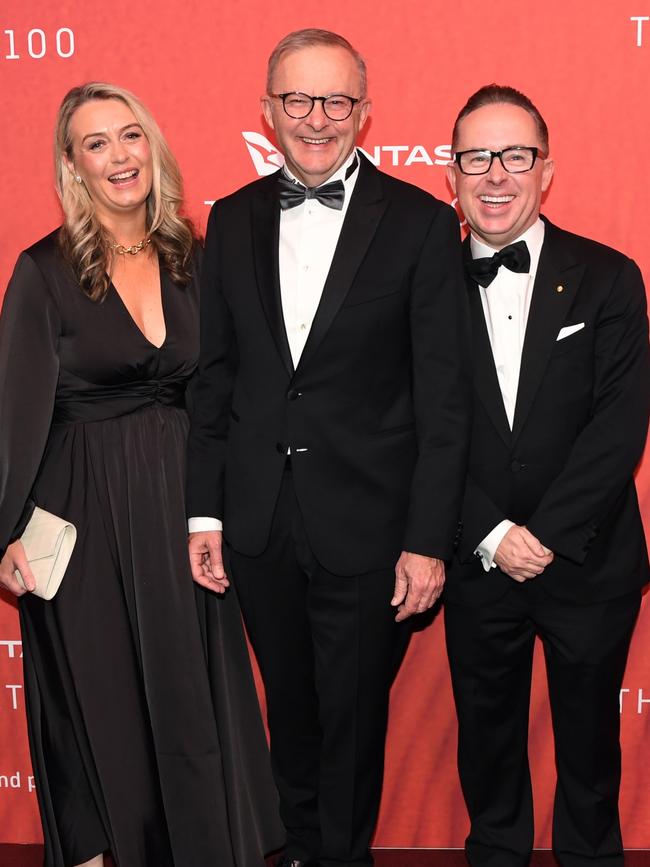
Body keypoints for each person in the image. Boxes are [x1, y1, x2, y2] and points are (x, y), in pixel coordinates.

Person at [186, 28, 471, 867]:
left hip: (371, 529)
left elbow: (444, 401)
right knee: (293, 715)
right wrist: (205, 510)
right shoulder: (232, 220)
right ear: (267, 110)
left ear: (365, 113)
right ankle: (299, 850)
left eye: (336, 101)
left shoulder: (421, 224)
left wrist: (427, 539)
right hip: (260, 522)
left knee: (352, 724)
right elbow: (215, 378)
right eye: (298, 100)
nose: (317, 119)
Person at [0, 82, 282, 867]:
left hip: (186, 513)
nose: (120, 156)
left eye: (130, 136)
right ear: (72, 165)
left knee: (193, 697)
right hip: (82, 513)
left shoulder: (197, 257)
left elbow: (226, 393)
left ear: (152, 147)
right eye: (97, 143)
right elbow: (14, 413)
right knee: (101, 703)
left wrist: (226, 508)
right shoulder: (42, 271)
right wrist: (5, 531)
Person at [444, 84, 650, 867]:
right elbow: (416, 429)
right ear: (450, 173)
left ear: (547, 169)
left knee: (591, 754)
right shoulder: (418, 288)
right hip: (475, 554)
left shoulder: (609, 276)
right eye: (476, 157)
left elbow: (618, 425)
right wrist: (495, 532)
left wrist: (547, 535)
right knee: (486, 749)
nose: (495, 174)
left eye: (515, 155)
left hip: (587, 558)